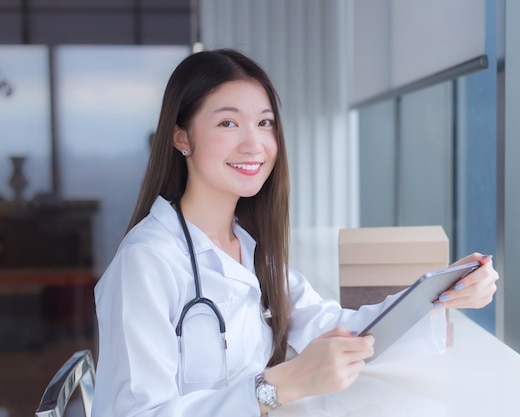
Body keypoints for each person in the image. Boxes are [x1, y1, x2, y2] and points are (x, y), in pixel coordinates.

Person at [92, 49, 499, 417]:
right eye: (228, 122)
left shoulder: (249, 250)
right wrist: (279, 386)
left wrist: (442, 293)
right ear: (182, 137)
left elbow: (339, 330)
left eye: (264, 122)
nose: (255, 144)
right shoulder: (146, 261)